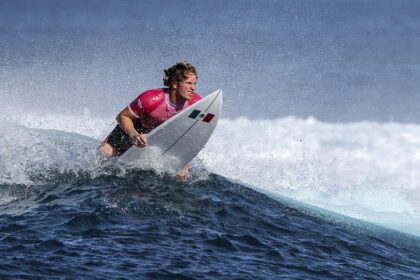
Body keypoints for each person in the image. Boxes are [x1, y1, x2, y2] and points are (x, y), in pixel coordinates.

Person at [99, 61, 201, 181]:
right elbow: (122, 116)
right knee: (103, 155)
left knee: (183, 175)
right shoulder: (151, 99)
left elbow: (193, 127)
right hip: (136, 128)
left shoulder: (195, 104)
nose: (193, 88)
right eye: (188, 83)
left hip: (164, 136)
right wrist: (134, 135)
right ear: (174, 84)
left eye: (194, 83)